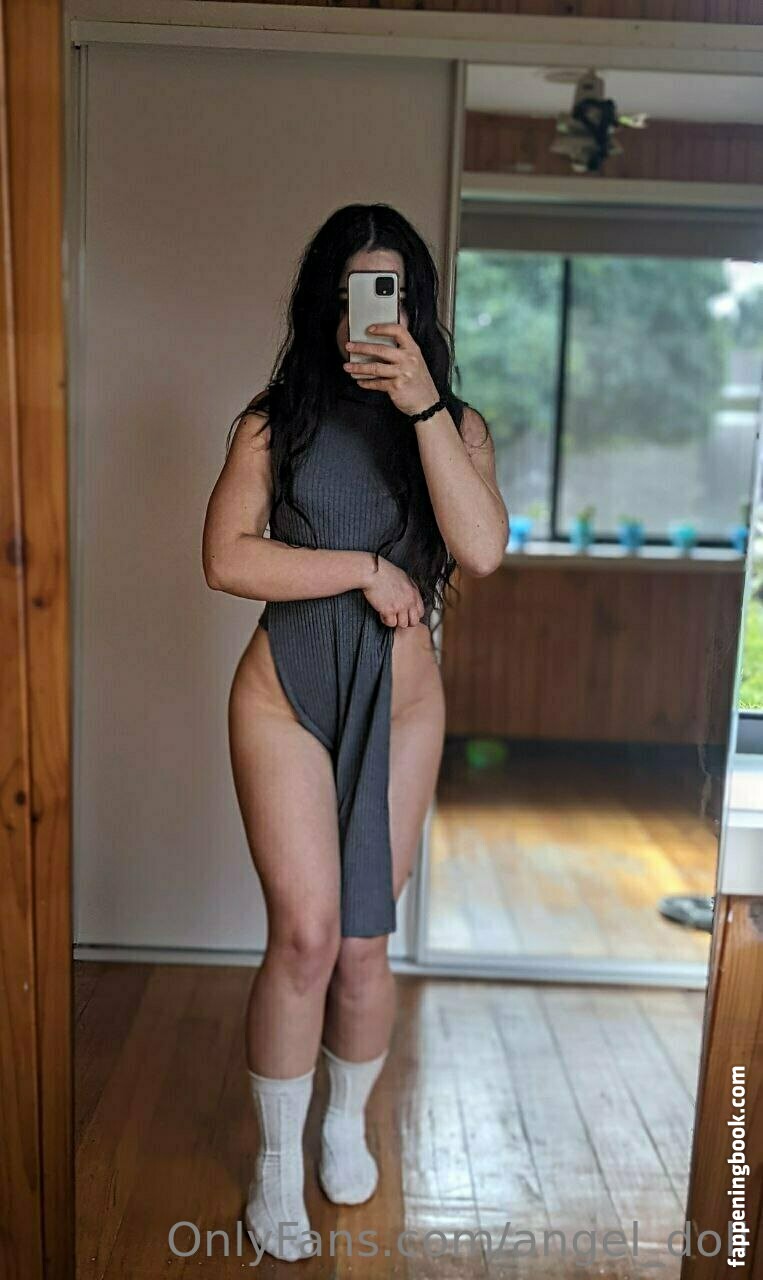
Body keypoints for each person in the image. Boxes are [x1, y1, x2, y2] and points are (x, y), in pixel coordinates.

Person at [202, 203, 508, 1261]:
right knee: (305, 935)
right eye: (350, 293)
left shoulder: (457, 427)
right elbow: (227, 558)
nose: (367, 314)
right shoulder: (271, 420)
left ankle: (343, 1123)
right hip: (285, 696)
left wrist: (422, 407)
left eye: (388, 294)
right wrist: (366, 569)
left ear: (415, 309)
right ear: (321, 303)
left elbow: (483, 550)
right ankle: (273, 1165)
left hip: (401, 706)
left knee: (366, 944)